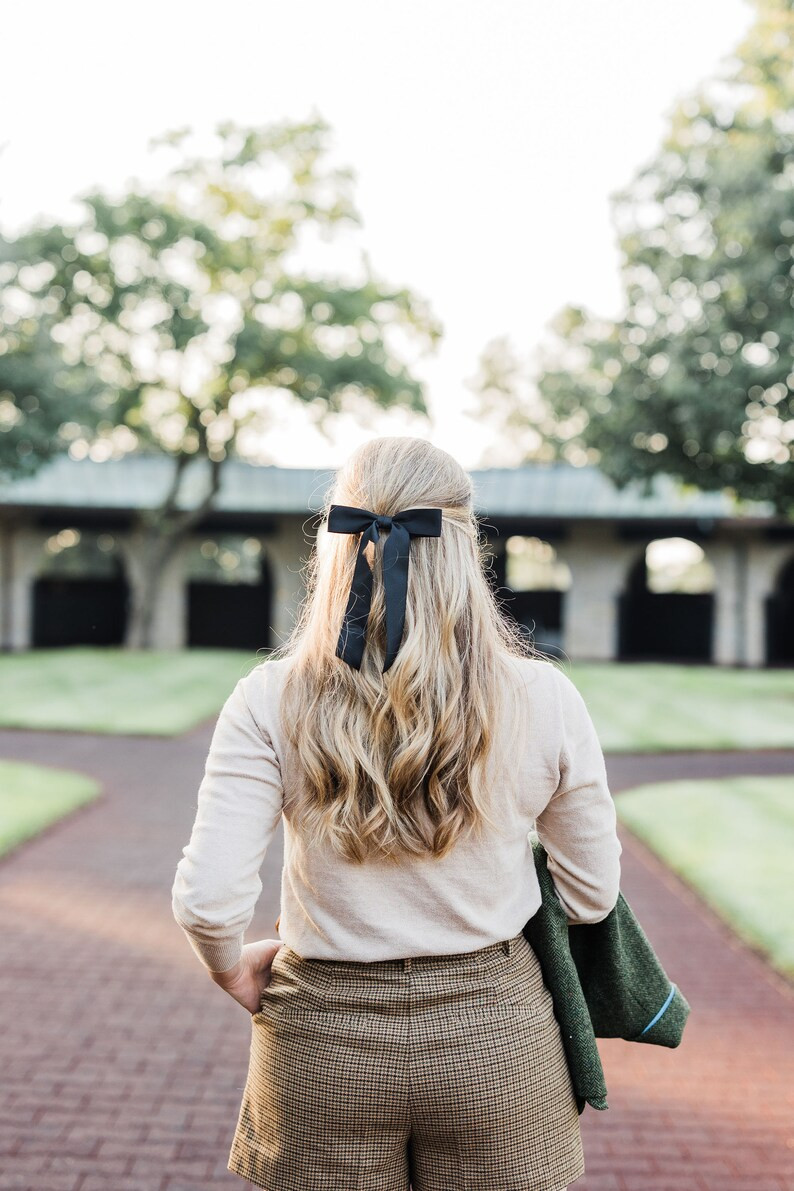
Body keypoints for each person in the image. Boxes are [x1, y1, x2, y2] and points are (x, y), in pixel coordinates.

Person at [171, 435, 622, 1191]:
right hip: (496, 1036)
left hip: (321, 1039)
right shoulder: (545, 699)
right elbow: (591, 896)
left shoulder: (267, 698)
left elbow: (209, 900)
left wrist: (232, 973)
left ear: (337, 546)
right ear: (466, 547)